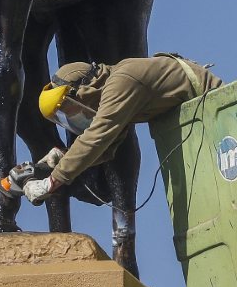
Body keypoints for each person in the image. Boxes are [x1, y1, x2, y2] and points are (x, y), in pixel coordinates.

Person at [22, 54, 222, 204]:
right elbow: (107, 147)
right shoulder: (117, 87)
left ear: (82, 90)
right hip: (202, 120)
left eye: (70, 109)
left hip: (220, 112)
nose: (77, 115)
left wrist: (51, 181)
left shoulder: (122, 81)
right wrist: (63, 157)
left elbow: (96, 138)